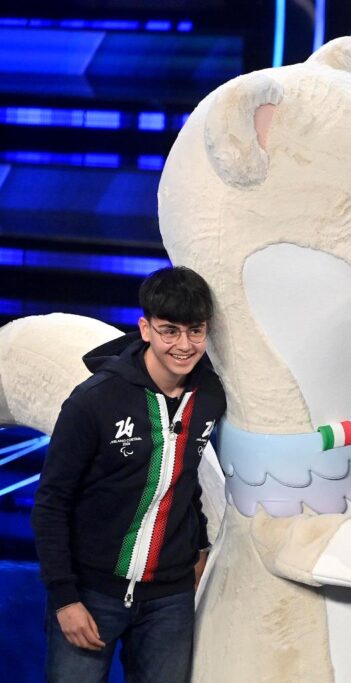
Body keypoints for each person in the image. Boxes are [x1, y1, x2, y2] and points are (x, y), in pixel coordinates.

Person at [31, 266, 226, 683]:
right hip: (91, 592)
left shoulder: (210, 396)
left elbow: (183, 477)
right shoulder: (94, 400)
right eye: (170, 330)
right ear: (146, 328)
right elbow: (51, 502)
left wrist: (200, 547)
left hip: (169, 600)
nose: (184, 344)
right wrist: (65, 599)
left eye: (195, 331)